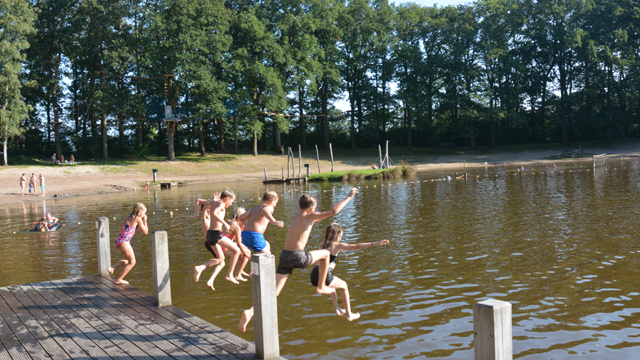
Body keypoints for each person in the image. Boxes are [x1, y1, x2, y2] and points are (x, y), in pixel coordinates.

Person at [238, 188, 358, 333]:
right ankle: (321, 286)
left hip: (284, 257)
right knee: (326, 253)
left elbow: (320, 217)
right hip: (297, 256)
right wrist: (349, 197)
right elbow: (333, 212)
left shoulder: (296, 217)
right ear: (312, 208)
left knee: (274, 292)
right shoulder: (309, 217)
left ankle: (250, 312)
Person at [310, 223, 389, 321]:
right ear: (337, 236)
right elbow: (357, 246)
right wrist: (375, 243)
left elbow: (329, 231)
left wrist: (332, 225)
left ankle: (337, 309)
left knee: (333, 286)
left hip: (314, 275)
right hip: (325, 276)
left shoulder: (324, 242)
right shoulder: (337, 245)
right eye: (341, 235)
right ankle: (349, 315)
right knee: (344, 285)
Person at [193, 189, 242, 290]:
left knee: (221, 259)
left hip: (210, 235)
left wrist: (196, 213)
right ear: (227, 199)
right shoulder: (221, 204)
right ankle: (229, 274)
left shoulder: (213, 202)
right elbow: (214, 213)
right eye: (231, 201)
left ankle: (200, 268)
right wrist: (224, 223)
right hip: (216, 234)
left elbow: (198, 200)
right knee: (237, 250)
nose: (231, 204)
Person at [108, 203, 149, 285]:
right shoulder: (138, 219)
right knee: (132, 262)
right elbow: (145, 232)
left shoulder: (128, 216)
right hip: (124, 242)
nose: (144, 215)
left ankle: (112, 268)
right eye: (144, 213)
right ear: (140, 212)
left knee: (128, 260)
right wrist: (145, 221)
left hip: (119, 241)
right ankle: (119, 279)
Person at [238, 190, 284, 255]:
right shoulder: (269, 207)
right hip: (254, 236)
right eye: (276, 202)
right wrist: (274, 221)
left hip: (245, 235)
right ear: (272, 200)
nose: (275, 205)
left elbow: (241, 218)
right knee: (268, 257)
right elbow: (264, 210)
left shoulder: (254, 208)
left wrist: (248, 224)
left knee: (267, 244)